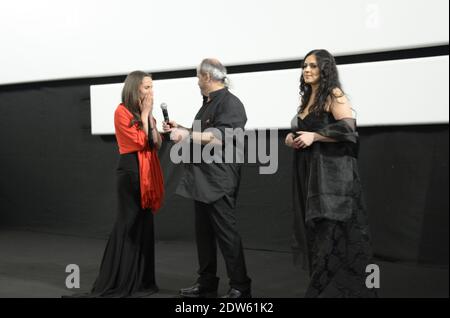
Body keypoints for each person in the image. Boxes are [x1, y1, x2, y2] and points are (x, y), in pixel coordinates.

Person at [285, 49, 377, 298]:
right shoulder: (307, 99)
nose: (307, 70)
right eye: (304, 66)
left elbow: (348, 130)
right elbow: (303, 129)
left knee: (333, 238)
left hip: (334, 179)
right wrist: (291, 137)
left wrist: (314, 136)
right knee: (316, 238)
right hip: (310, 175)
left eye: (313, 66)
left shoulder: (334, 94)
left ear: (325, 69)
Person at [65, 71, 164, 298]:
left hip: (148, 171)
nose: (151, 91)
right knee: (127, 224)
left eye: (152, 87)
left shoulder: (145, 113)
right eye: (146, 87)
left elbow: (155, 142)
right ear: (135, 88)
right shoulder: (121, 111)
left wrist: (150, 117)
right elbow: (140, 142)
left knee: (144, 224)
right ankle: (116, 279)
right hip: (131, 171)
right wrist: (147, 113)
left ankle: (141, 280)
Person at [162, 58, 251, 298]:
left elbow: (220, 136)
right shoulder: (208, 103)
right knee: (204, 235)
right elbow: (202, 134)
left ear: (208, 78)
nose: (197, 82)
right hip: (202, 179)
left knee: (226, 234)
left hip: (218, 180)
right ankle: (207, 283)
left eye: (198, 77)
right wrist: (180, 128)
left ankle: (240, 286)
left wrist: (187, 135)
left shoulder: (231, 104)